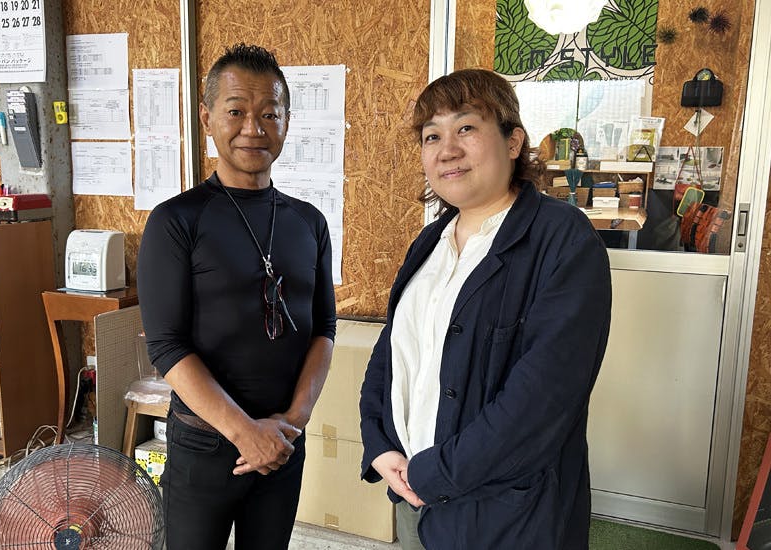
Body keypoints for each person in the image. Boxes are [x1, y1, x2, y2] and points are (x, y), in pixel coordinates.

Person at [359, 68, 611, 549]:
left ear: (513, 141)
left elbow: (541, 399)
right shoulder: (431, 242)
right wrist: (379, 444)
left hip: (507, 515)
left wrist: (433, 473)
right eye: (432, 136)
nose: (447, 150)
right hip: (413, 492)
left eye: (467, 128)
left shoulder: (562, 240)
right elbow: (393, 352)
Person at [138, 43, 336, 550]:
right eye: (236, 111)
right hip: (204, 445)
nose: (254, 127)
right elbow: (166, 345)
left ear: (287, 122)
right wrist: (245, 432)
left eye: (270, 113)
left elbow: (323, 330)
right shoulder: (176, 221)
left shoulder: (308, 222)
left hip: (283, 444)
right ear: (207, 118)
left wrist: (292, 422)